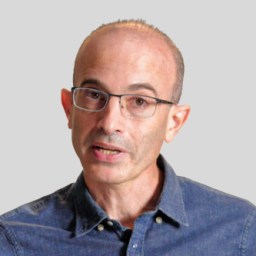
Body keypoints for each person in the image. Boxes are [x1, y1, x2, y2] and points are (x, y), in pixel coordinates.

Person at [0, 19, 255, 256]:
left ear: (174, 123)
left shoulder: (240, 231)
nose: (110, 123)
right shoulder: (15, 241)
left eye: (140, 101)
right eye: (94, 94)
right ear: (69, 108)